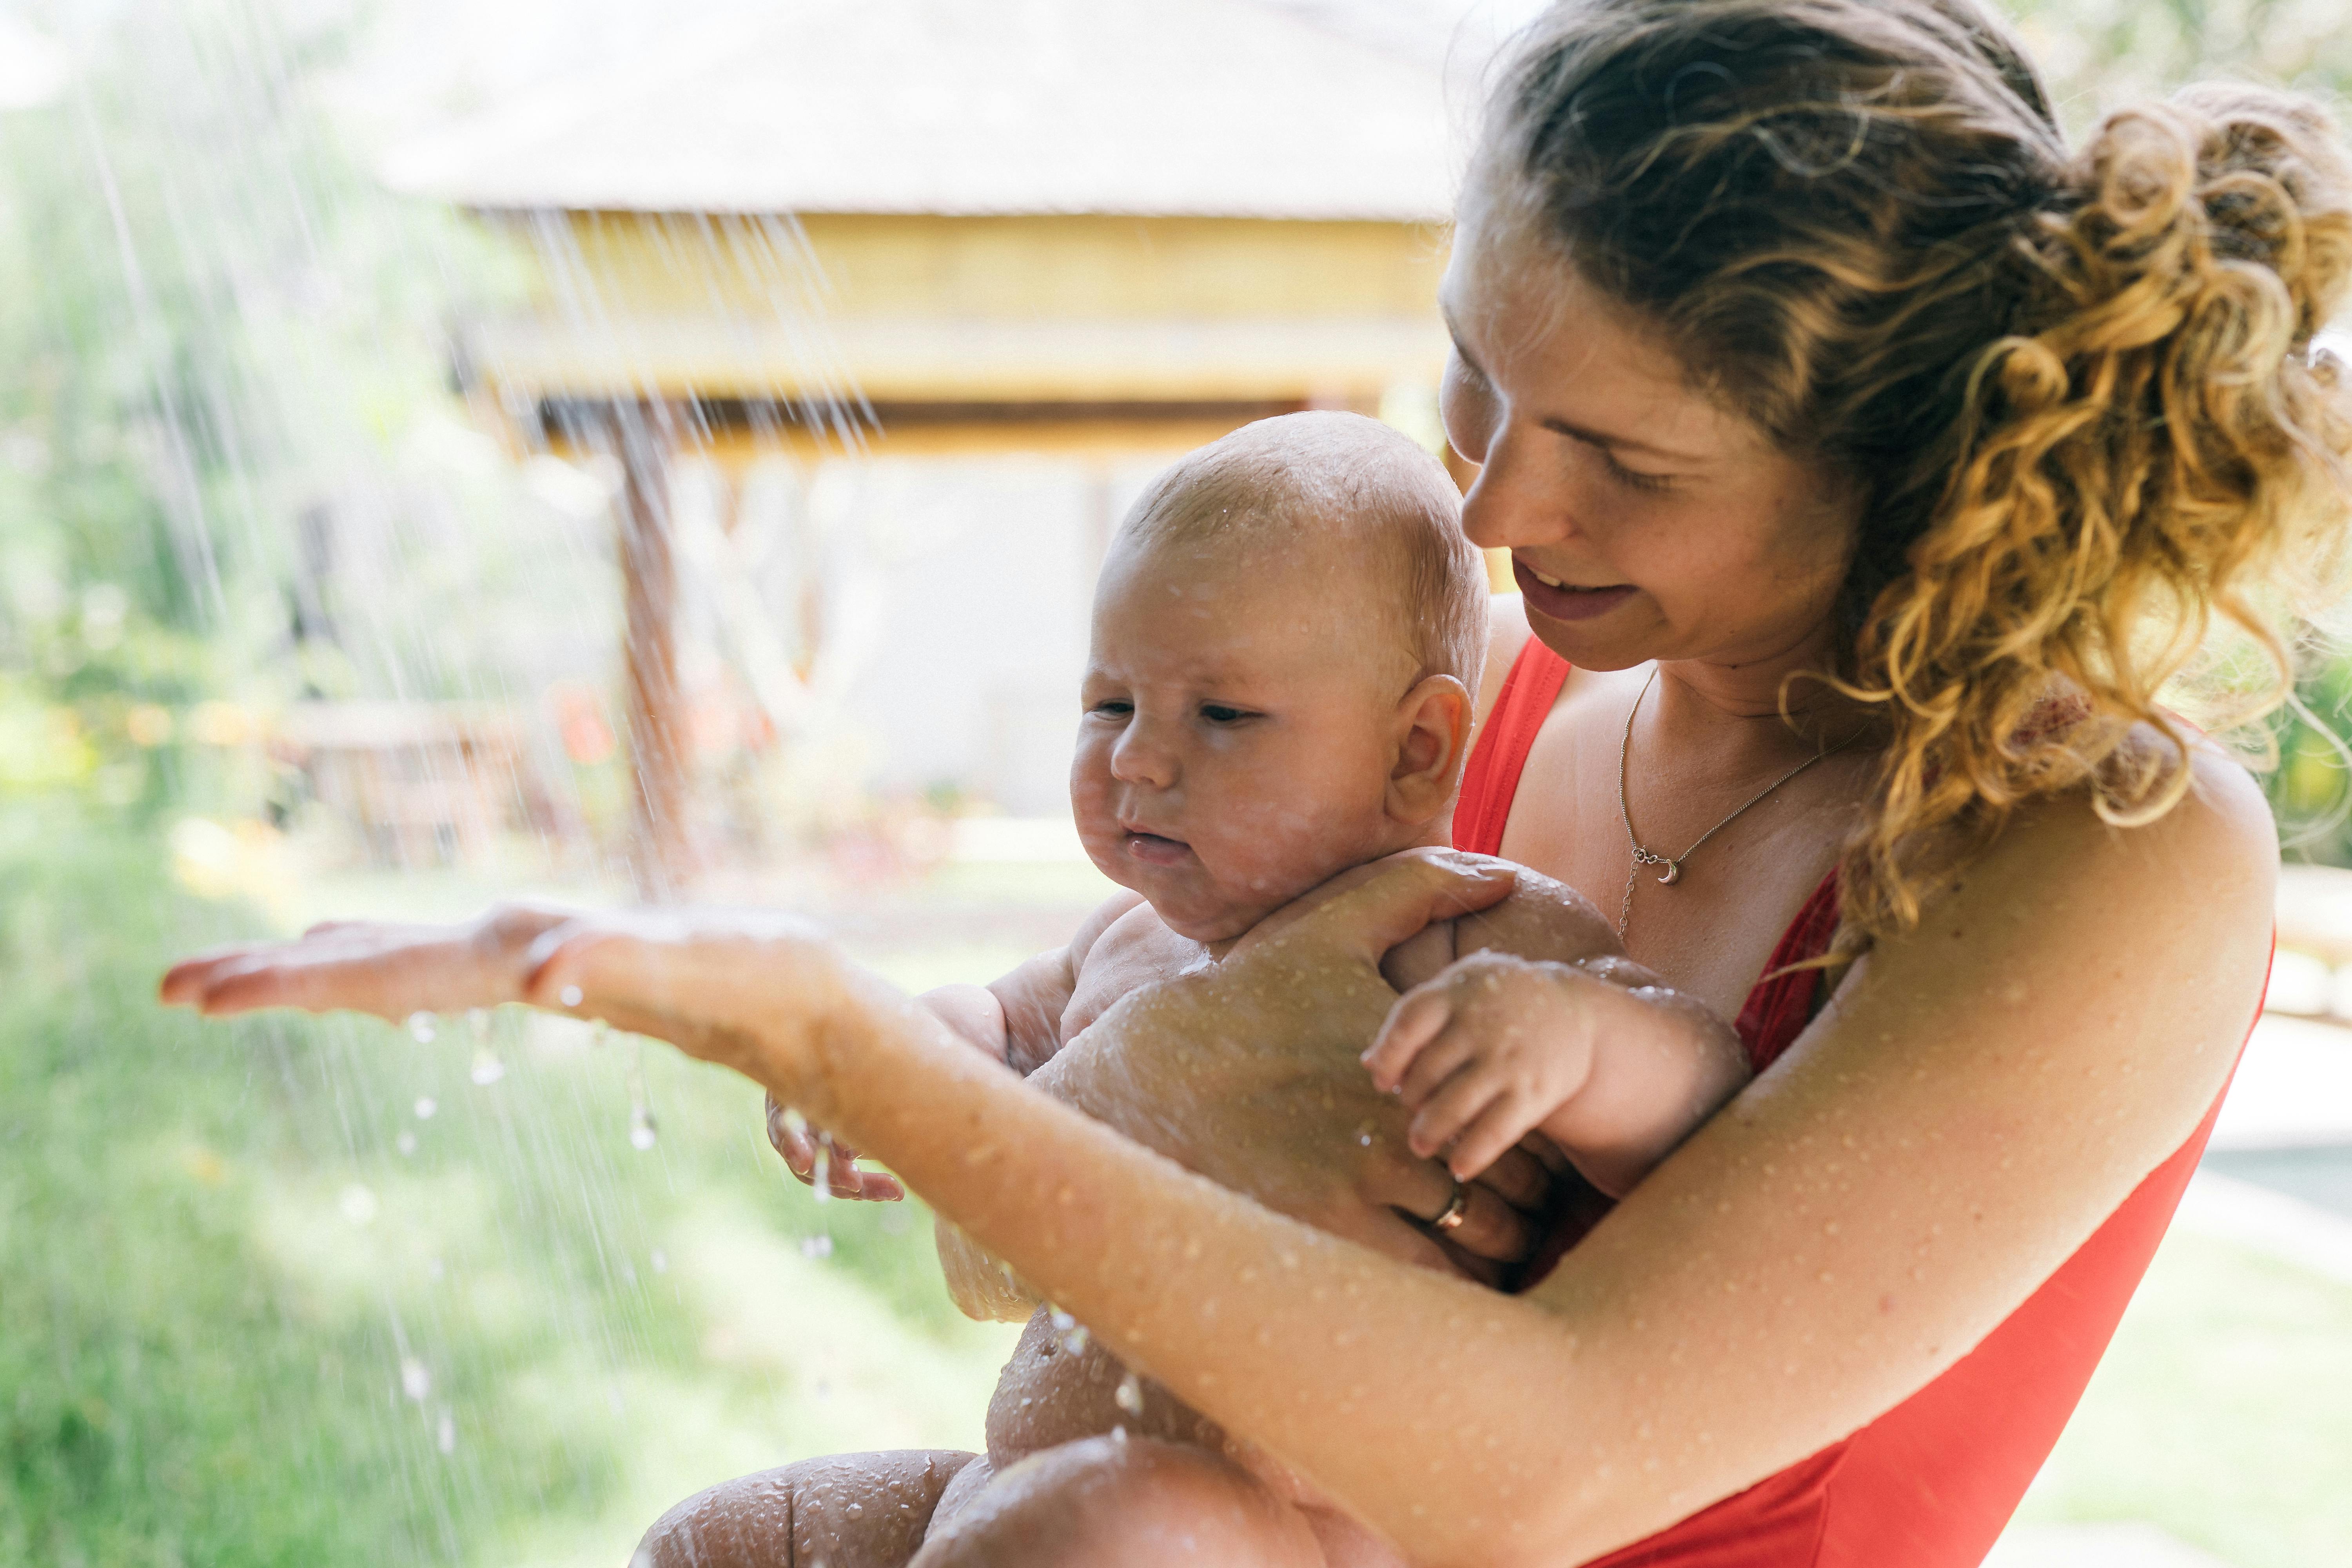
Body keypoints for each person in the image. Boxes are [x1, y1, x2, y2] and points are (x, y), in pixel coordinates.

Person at [161, 1, 2348, 1563]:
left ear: (1902, 468)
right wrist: (984, 1052)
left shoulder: (2096, 859)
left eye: (1625, 462)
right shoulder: (1473, 702)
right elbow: (1139, 1059)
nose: (1492, 510)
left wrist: (858, 1045)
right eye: (1476, 378)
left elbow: (1535, 1472)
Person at [754, 409, 1751, 1567]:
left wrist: (1580, 1045)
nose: (1137, 757)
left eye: (1222, 715)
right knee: (728, 1537)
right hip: (1015, 1489)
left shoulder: (1461, 936)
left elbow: (1707, 1092)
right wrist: (892, 1057)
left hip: (1283, 1535)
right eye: (1109, 704)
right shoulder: (1125, 937)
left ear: (1418, 752)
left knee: (1100, 1525)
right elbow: (998, 1024)